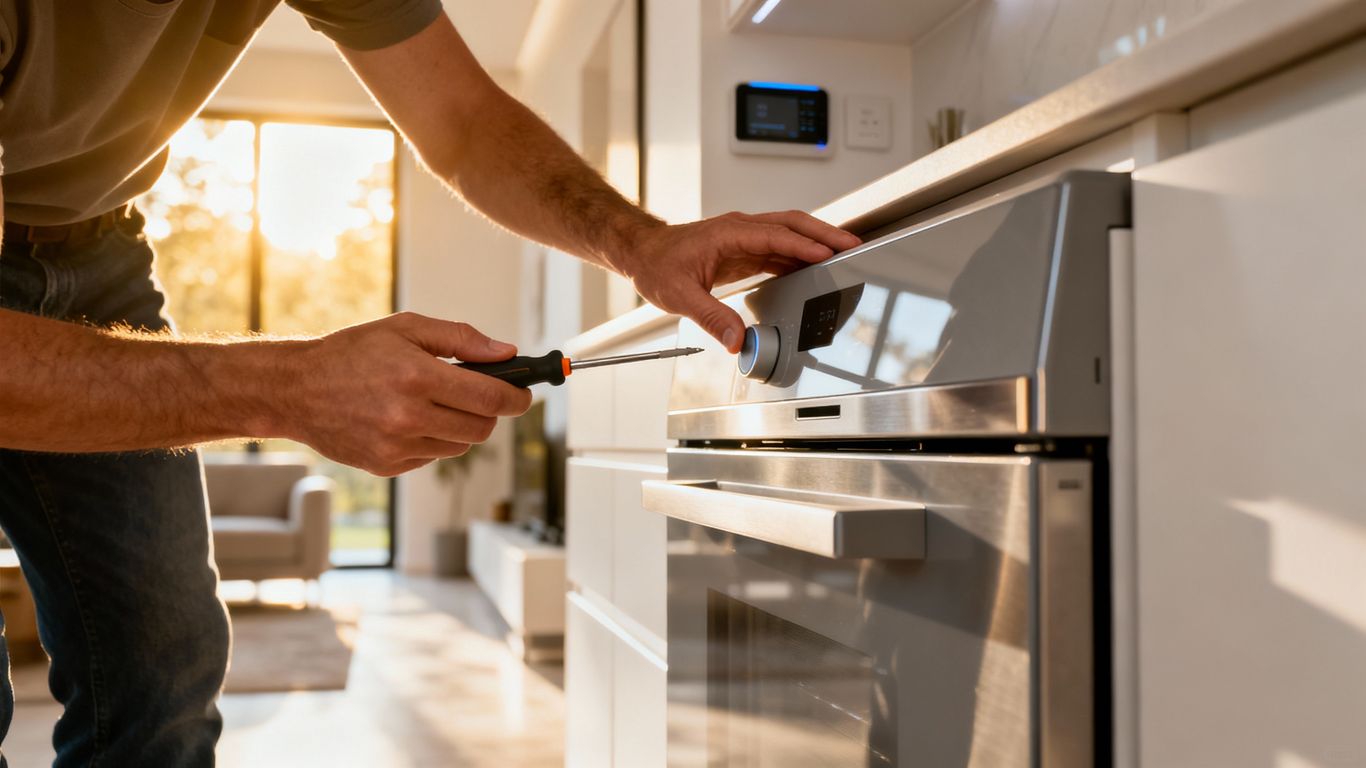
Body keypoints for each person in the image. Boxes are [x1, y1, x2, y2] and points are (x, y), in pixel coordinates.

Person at [0, 3, 858, 766]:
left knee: (164, 679)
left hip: (98, 247)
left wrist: (638, 242)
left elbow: (465, 121)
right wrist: (286, 387)